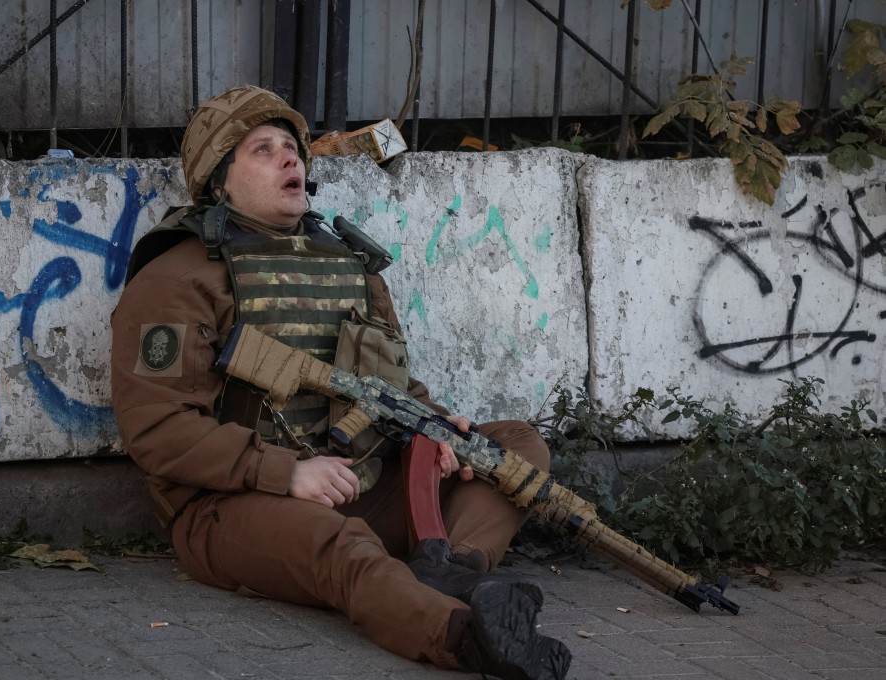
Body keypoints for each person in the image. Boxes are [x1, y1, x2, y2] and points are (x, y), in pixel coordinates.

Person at [110, 85, 571, 680]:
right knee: (344, 551)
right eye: (262, 149)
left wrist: (437, 429)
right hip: (231, 505)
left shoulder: (348, 265)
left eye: (292, 147)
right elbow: (156, 428)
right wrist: (285, 473)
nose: (289, 157)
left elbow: (388, 381)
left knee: (512, 448)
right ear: (219, 182)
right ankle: (464, 638)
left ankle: (449, 570)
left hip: (360, 480)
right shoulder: (177, 279)